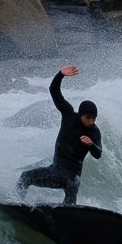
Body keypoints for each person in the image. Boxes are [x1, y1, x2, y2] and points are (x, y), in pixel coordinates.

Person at [16, 64, 102, 206]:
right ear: (81, 115)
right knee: (25, 177)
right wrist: (60, 74)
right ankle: (19, 205)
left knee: (73, 184)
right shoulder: (68, 115)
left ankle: (69, 213)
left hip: (72, 176)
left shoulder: (94, 132)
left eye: (94, 118)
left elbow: (98, 153)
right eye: (88, 118)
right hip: (55, 171)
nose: (91, 121)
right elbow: (54, 90)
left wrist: (91, 145)